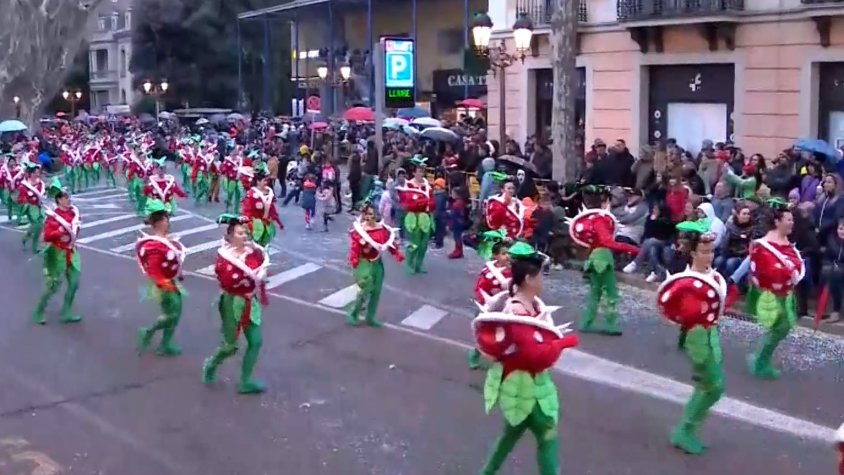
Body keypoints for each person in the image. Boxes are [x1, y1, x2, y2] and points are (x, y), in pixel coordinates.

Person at [473, 242, 579, 475]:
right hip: (524, 385)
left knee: (510, 436)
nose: (543, 280)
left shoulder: (528, 305)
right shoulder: (518, 312)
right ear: (529, 279)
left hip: (523, 383)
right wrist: (564, 342)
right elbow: (536, 356)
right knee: (547, 436)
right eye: (541, 275)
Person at [657, 220, 728, 454]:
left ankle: (687, 430)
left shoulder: (714, 277)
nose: (709, 256)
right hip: (697, 336)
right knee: (714, 387)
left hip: (712, 334)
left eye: (711, 252)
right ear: (693, 253)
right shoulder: (686, 283)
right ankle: (684, 429)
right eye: (704, 252)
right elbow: (672, 307)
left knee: (705, 386)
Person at [202, 214, 271, 394]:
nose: (245, 236)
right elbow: (227, 280)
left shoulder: (253, 253)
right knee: (230, 346)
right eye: (240, 233)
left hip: (250, 301)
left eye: (246, 233)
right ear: (231, 236)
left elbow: (261, 269)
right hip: (232, 302)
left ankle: (245, 381)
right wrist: (247, 280)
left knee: (256, 341)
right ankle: (211, 364)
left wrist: (261, 278)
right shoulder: (225, 258)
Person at [745, 198, 804, 379]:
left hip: (787, 294)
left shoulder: (788, 244)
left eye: (792, 219)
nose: (792, 223)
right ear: (777, 222)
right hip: (770, 294)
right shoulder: (763, 246)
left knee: (781, 328)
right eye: (788, 220)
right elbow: (764, 271)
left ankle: (760, 359)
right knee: (781, 327)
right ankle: (760, 362)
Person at [568, 185, 639, 335]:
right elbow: (607, 241)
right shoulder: (601, 219)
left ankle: (587, 322)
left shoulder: (591, 219)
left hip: (594, 255)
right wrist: (632, 249)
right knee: (610, 292)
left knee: (595, 292)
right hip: (603, 257)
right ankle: (610, 324)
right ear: (605, 201)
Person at [135, 199, 187, 357]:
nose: (168, 222)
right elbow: (154, 270)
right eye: (166, 219)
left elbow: (172, 260)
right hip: (163, 284)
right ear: (159, 222)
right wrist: (165, 285)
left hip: (171, 281)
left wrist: (178, 273)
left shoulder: (165, 240)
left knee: (175, 313)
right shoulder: (154, 246)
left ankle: (165, 344)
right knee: (172, 313)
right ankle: (148, 332)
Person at [32, 178, 83, 325]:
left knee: (74, 283)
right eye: (65, 197)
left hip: (71, 251)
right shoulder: (53, 217)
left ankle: (66, 312)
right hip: (57, 252)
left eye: (69, 196)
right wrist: (59, 231)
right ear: (59, 200)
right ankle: (38, 311)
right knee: (53, 286)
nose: (68, 199)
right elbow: (47, 236)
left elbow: (76, 229)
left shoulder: (74, 213)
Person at [347, 201, 403, 327]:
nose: (368, 217)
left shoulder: (382, 229)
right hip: (364, 263)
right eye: (366, 214)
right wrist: (355, 260)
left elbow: (389, 243)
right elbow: (355, 247)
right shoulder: (360, 230)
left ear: (376, 214)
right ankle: (353, 314)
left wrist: (396, 253)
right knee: (365, 289)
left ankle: (370, 317)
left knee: (376, 291)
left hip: (377, 263)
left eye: (371, 214)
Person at [468, 240, 512, 370]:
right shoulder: (488, 272)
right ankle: (475, 353)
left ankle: (501, 361)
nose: (508, 256)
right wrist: (487, 305)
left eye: (509, 253)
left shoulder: (514, 271)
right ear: (495, 256)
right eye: (504, 253)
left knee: (505, 335)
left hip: (506, 308)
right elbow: (480, 289)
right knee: (485, 334)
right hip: (488, 307)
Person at [395, 156, 434, 274]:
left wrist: (425, 204)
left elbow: (432, 203)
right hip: (412, 217)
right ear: (414, 172)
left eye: (423, 171)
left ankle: (418, 265)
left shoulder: (427, 186)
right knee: (413, 243)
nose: (422, 173)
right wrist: (423, 202)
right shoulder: (409, 186)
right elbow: (408, 203)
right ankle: (409, 264)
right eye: (419, 171)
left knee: (423, 244)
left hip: (425, 217)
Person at [241, 164, 283, 247]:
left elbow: (272, 208)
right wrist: (246, 222)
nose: (266, 183)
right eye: (264, 180)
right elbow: (247, 210)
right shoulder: (251, 194)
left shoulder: (269, 192)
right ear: (258, 181)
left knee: (265, 243)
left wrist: (278, 221)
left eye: (266, 181)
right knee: (255, 243)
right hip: (255, 223)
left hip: (267, 222)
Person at [18, 161, 46, 253]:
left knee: (39, 226)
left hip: (40, 206)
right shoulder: (24, 185)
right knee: (36, 225)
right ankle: (32, 243)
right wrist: (25, 200)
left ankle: (30, 240)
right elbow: (21, 198)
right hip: (31, 207)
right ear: (30, 173)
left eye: (38, 172)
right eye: (35, 172)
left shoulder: (41, 184)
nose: (37, 174)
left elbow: (43, 194)